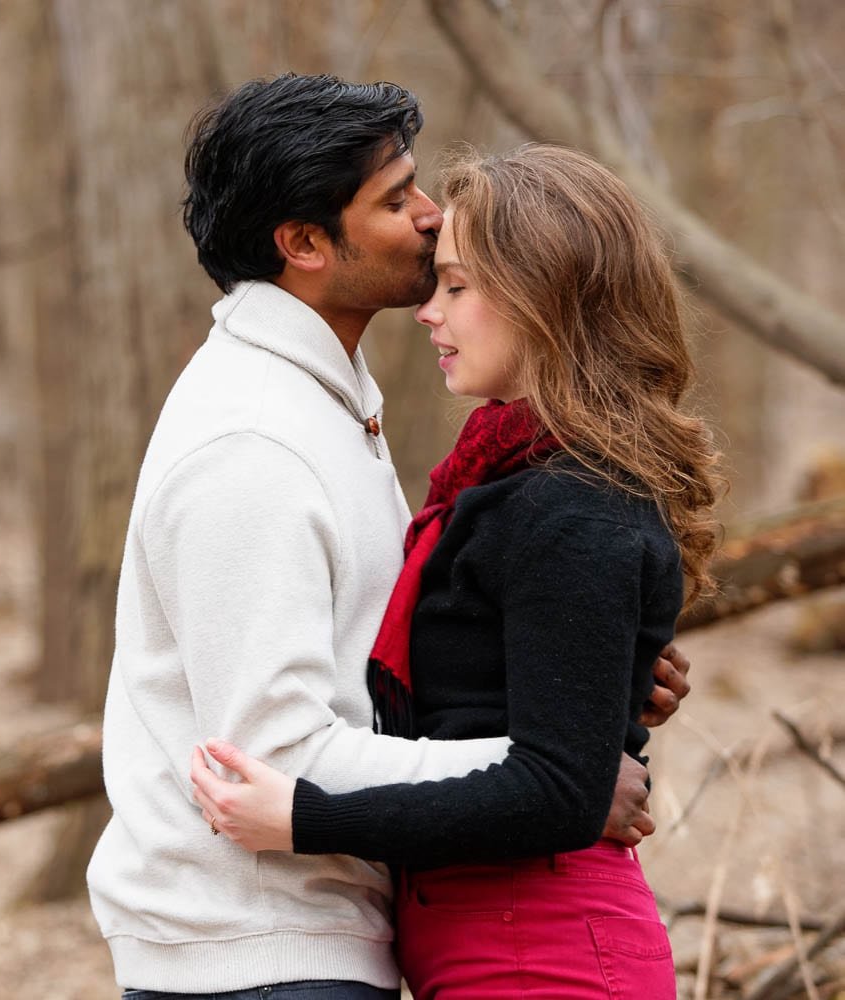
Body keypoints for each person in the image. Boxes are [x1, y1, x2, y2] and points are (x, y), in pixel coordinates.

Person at [85, 75, 689, 1000]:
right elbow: (272, 759)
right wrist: (559, 770)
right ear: (303, 244)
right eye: (394, 196)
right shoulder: (253, 444)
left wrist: (586, 673)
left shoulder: (331, 405)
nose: (428, 213)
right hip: (257, 953)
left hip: (359, 933)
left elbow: (377, 663)